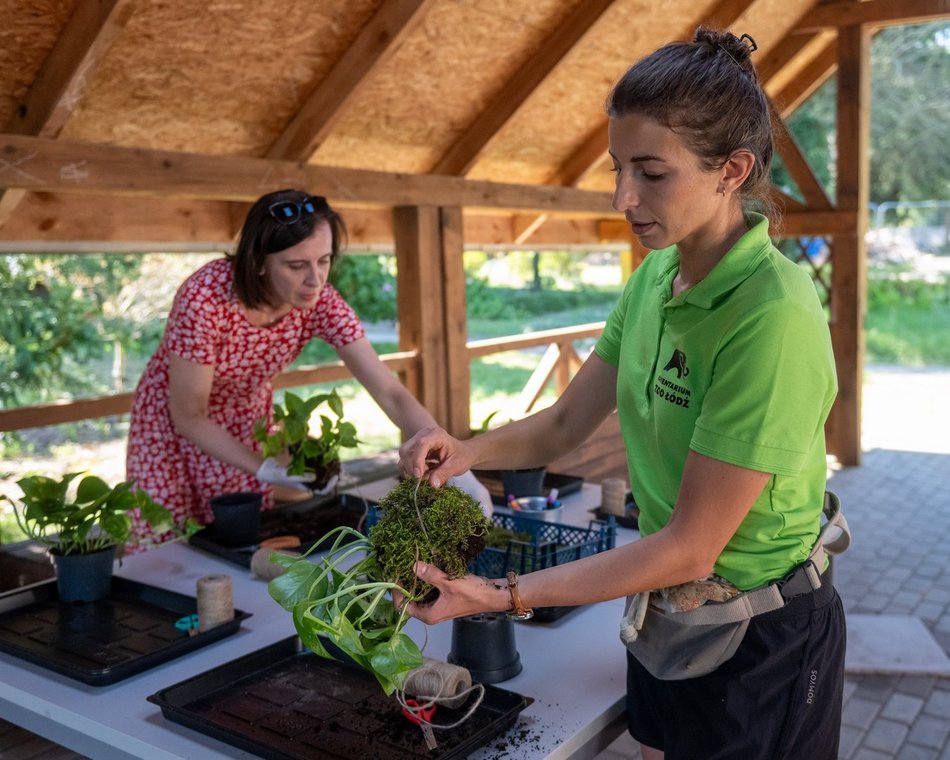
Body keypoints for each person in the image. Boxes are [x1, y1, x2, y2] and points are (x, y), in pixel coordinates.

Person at [398, 28, 844, 760]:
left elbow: (692, 547)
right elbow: (567, 422)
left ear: (732, 170)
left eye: (650, 172)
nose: (621, 196)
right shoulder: (657, 277)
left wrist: (505, 594)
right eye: (617, 167)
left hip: (763, 637)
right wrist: (467, 451)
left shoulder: (774, 315)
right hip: (668, 609)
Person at [126, 189, 491, 539]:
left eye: (324, 260)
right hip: (174, 424)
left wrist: (453, 462)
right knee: (168, 542)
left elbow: (390, 391)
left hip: (245, 422)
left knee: (237, 535)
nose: (315, 279)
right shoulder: (205, 297)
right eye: (296, 265)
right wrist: (265, 468)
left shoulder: (322, 302)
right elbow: (189, 413)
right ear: (258, 263)